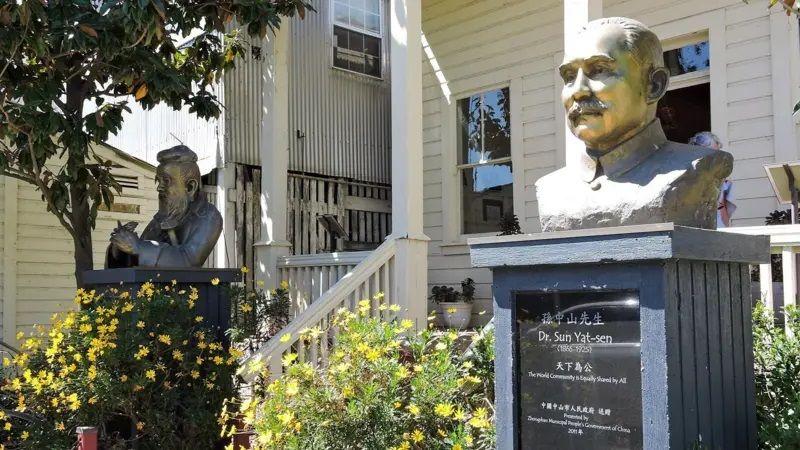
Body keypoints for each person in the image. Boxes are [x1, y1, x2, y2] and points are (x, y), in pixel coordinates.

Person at [535, 17, 733, 231]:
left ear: (654, 85)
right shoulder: (551, 189)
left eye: (600, 69)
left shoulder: (696, 171)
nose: (578, 90)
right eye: (569, 76)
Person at [105, 145, 223, 268]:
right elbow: (136, 259)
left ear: (190, 187)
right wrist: (120, 247)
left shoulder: (208, 216)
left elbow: (188, 260)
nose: (159, 188)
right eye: (158, 181)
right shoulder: (160, 220)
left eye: (166, 181)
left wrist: (139, 248)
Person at [688, 131, 736, 228]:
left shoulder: (723, 178)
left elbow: (725, 214)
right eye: (713, 153)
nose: (717, 158)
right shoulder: (686, 176)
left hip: (718, 230)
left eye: (718, 153)